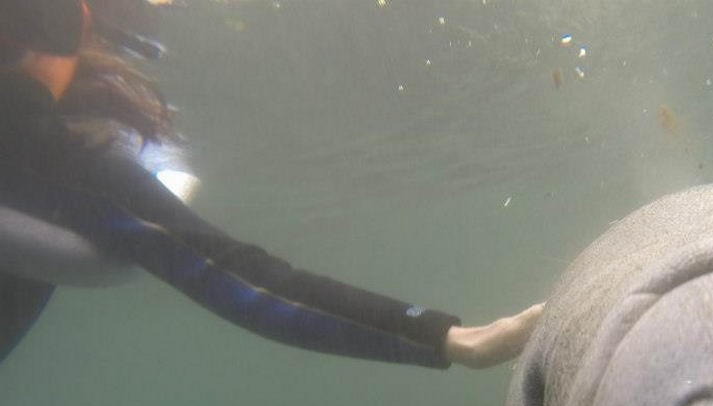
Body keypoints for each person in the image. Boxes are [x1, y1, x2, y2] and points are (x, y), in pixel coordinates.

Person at [0, 0, 543, 368]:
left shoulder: (57, 161)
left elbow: (246, 279)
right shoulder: (60, 162)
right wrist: (452, 341)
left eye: (41, 16)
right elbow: (248, 283)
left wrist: (448, 338)